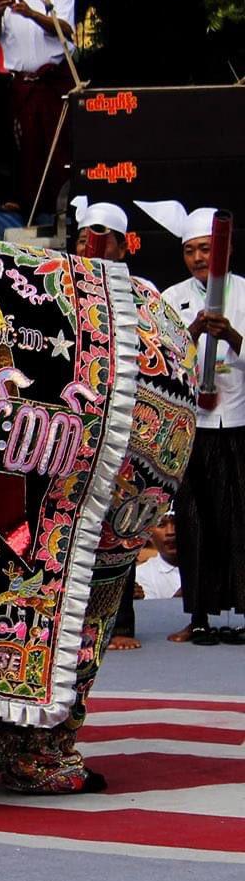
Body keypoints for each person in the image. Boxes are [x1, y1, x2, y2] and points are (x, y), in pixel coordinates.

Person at [158, 206, 245, 645]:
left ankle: (242, 615)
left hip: (239, 421)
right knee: (195, 521)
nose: (197, 258)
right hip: (195, 425)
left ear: (223, 251)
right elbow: (162, 362)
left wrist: (232, 337)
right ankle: (200, 617)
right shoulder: (172, 299)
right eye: (190, 250)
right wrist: (190, 333)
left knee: (240, 521)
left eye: (205, 249)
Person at [0, 0, 77, 213]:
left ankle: (62, 206)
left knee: (59, 147)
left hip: (53, 80)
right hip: (23, 83)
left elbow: (66, 30)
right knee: (25, 146)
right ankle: (27, 205)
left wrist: (32, 14)